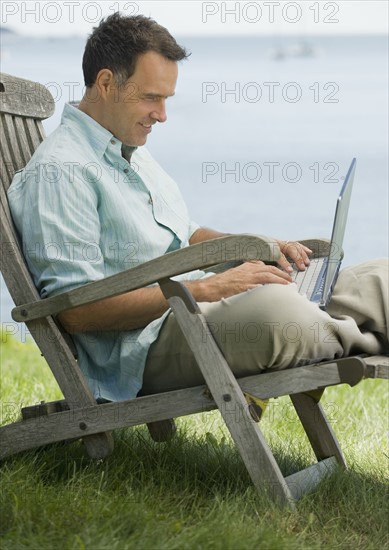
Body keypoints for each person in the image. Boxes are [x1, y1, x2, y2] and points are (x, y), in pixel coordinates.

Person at [7, 14, 388, 402]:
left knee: (379, 278)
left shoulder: (128, 151)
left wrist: (263, 246)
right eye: (151, 97)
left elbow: (185, 233)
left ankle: (338, 324)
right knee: (279, 311)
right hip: (146, 345)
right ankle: (365, 337)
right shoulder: (60, 172)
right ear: (106, 83)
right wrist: (207, 288)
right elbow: (77, 311)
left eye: (166, 99)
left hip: (199, 310)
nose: (163, 115)